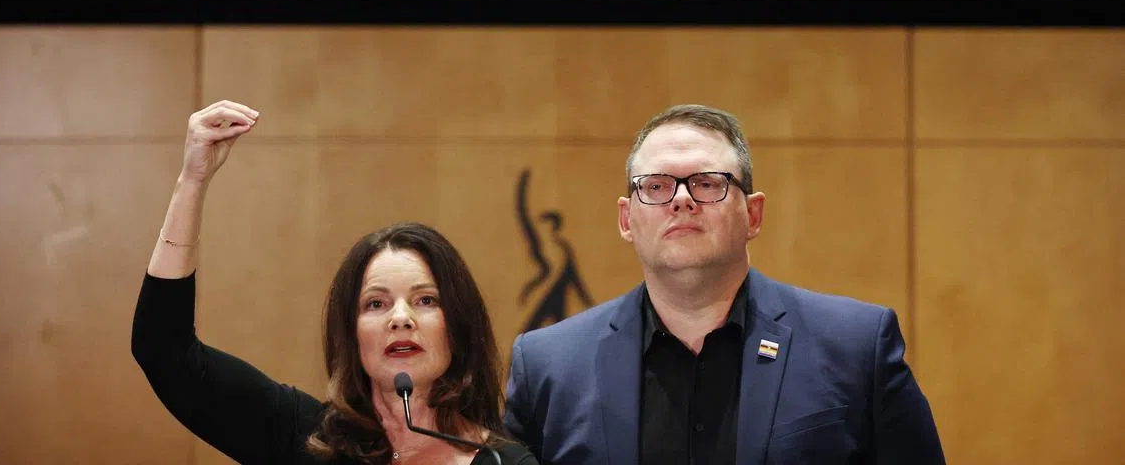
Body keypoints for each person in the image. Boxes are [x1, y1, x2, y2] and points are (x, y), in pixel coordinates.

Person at [503, 104, 944, 464]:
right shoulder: (548, 367)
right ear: (626, 220)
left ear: (753, 215)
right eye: (655, 186)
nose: (680, 199)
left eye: (707, 183)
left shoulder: (856, 346)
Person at [132, 100, 538, 465]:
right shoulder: (306, 437)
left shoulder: (506, 463)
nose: (401, 318)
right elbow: (163, 349)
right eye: (375, 304)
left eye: (426, 300)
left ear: (460, 327)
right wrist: (192, 181)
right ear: (351, 332)